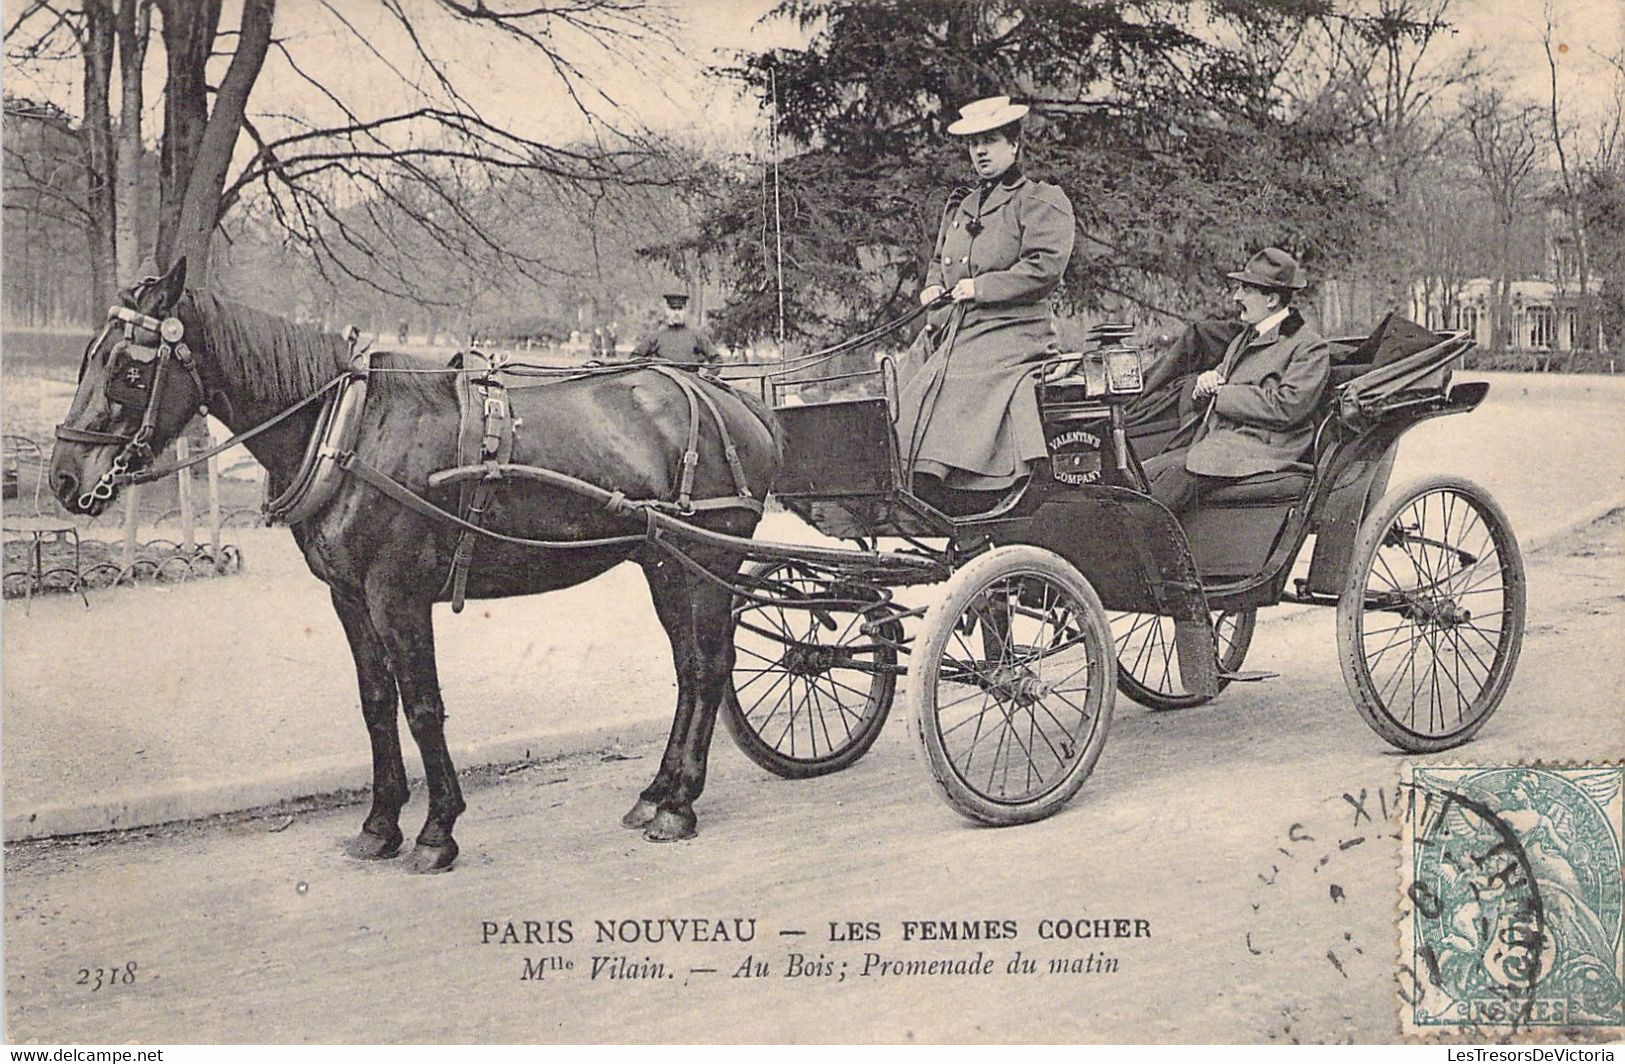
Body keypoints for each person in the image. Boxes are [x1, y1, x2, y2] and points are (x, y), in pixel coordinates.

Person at [892, 95, 1076, 515]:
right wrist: (932, 286)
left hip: (1014, 330)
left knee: (956, 377)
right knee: (905, 378)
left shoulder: (1041, 201)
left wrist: (981, 288)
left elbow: (1045, 267)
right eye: (974, 143)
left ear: (1014, 146)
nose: (980, 152)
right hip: (955, 326)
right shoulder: (962, 206)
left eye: (990, 141)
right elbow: (940, 260)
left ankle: (949, 478)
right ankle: (903, 477)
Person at [1142, 247, 1330, 518]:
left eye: (1246, 290)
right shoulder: (1246, 338)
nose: (1236, 296)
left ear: (1272, 299)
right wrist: (1203, 386)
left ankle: (1146, 558)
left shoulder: (1308, 347)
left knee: (1163, 491)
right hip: (1221, 442)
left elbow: (1288, 407)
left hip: (1265, 448)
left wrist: (1223, 394)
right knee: (1142, 476)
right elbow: (1215, 391)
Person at [631, 293, 717, 366]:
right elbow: (634, 357)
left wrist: (707, 377)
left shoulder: (697, 335)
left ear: (685, 310)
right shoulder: (656, 336)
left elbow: (717, 359)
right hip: (663, 382)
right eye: (673, 309)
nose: (676, 313)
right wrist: (650, 367)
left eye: (680, 309)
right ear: (667, 310)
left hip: (689, 381)